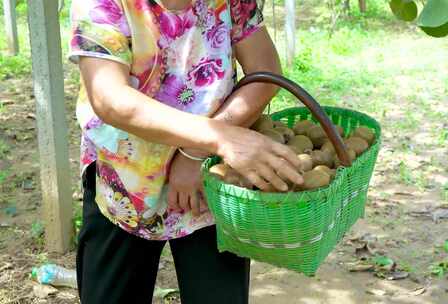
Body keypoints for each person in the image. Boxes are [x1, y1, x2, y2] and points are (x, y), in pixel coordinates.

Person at [68, 0, 304, 303]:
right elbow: (110, 99)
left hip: (210, 184)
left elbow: (266, 70)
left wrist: (196, 153)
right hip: (124, 185)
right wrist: (218, 138)